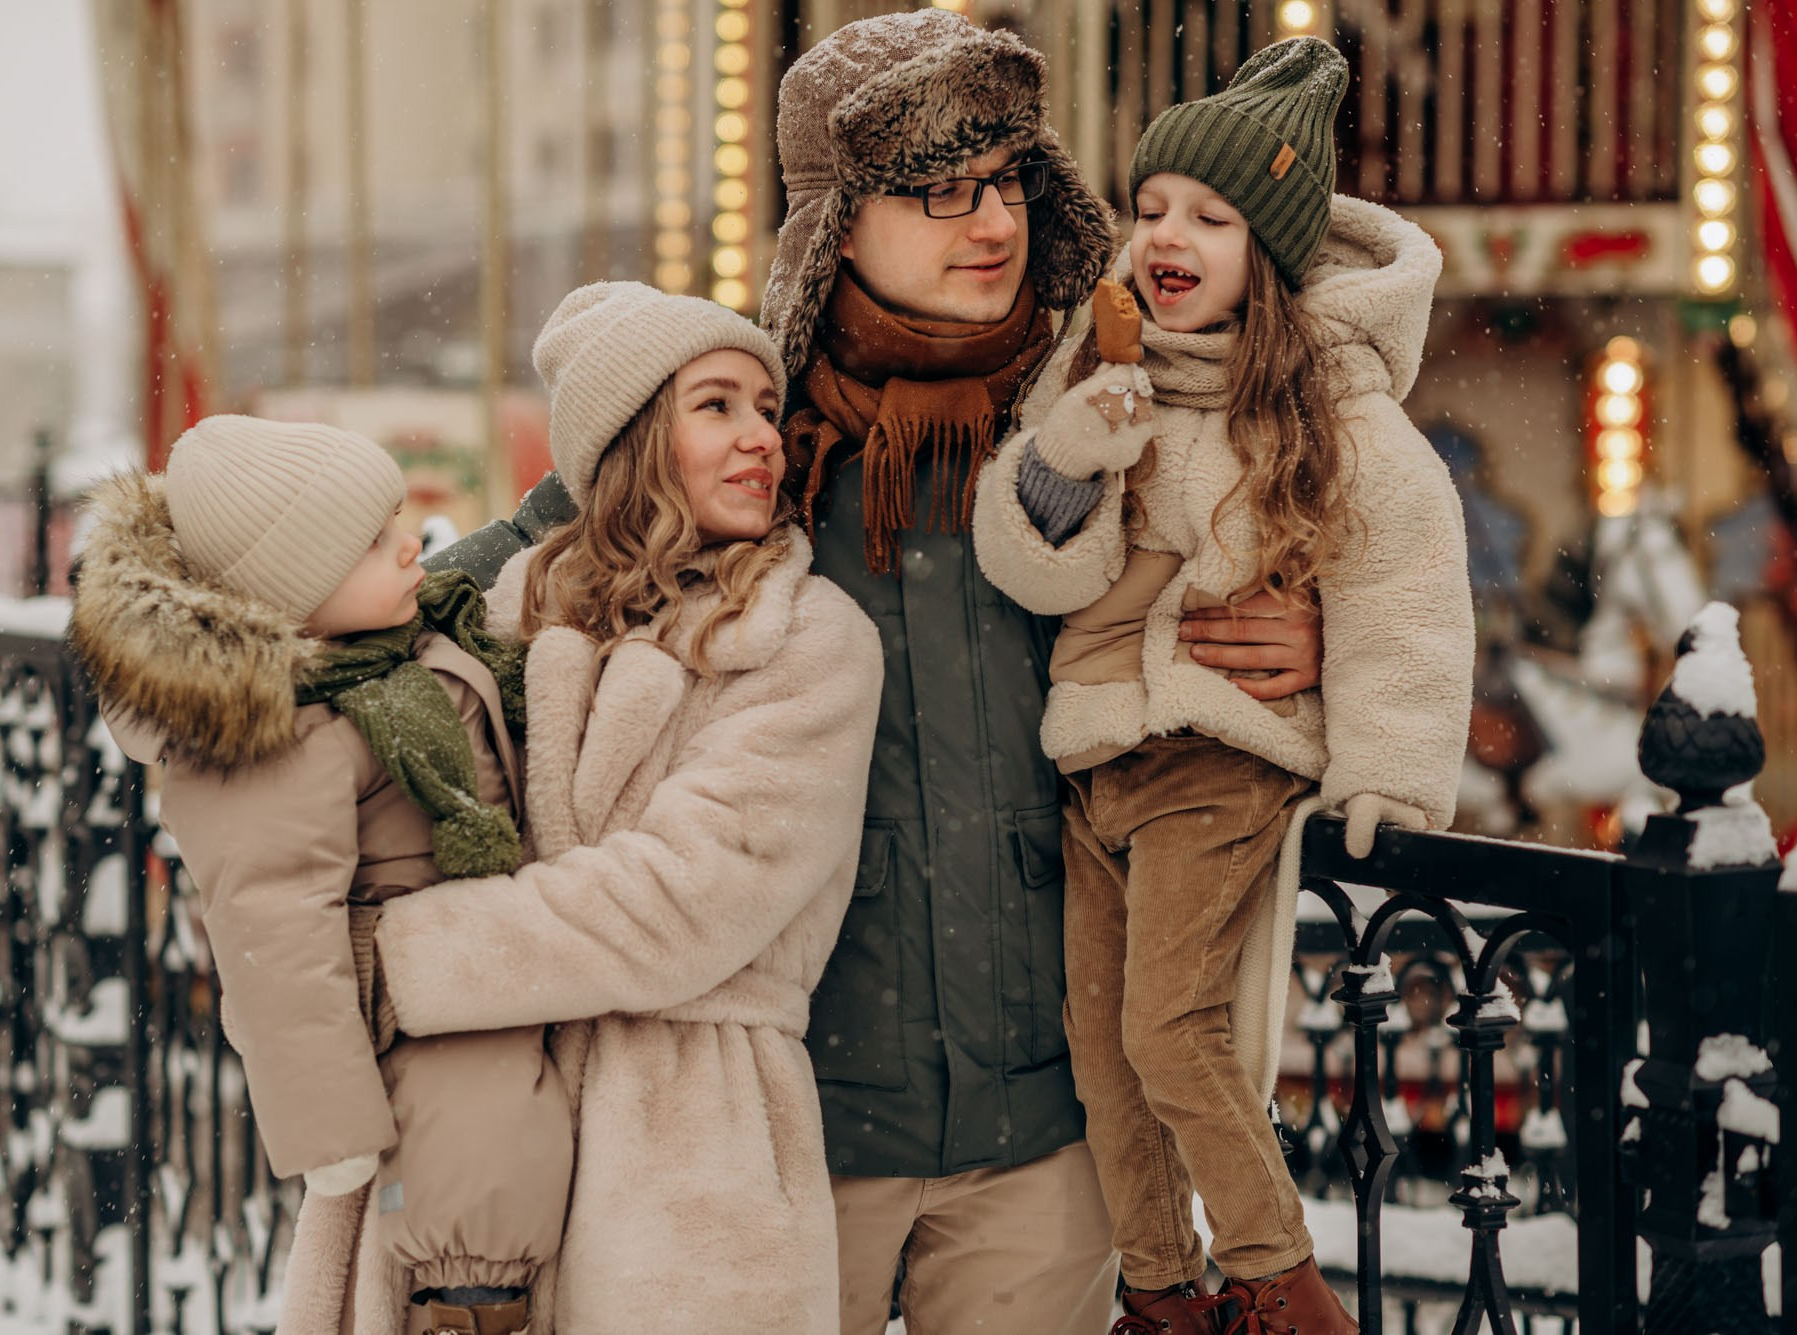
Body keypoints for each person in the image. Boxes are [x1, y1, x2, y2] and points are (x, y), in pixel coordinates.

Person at [427, 12, 1326, 1332]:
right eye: (939, 192)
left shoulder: (1115, 406)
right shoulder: (741, 422)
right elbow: (492, 580)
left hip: (1045, 1124)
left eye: (1011, 181)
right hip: (795, 1120)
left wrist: (1320, 648)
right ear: (842, 222)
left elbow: (1334, 539)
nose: (994, 224)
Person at [971, 38, 1474, 1335]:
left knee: (1169, 1028)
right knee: (1102, 1044)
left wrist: (1388, 768)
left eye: (1212, 215)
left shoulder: (1332, 413)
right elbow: (1037, 569)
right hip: (1091, 754)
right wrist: (1073, 452)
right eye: (1150, 211)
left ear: (1273, 252)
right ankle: (1158, 1289)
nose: (1167, 235)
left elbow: (1400, 589)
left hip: (1218, 755)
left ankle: (1274, 1276)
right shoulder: (1096, 374)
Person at [370, 282, 885, 1335]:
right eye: (715, 406)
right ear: (632, 441)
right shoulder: (504, 615)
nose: (762, 439)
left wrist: (393, 959)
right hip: (481, 1121)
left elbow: (679, 907)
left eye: (762, 406)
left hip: (691, 1144)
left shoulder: (810, 640)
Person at [68, 415, 572, 1335]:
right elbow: (273, 942)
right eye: (377, 543)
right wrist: (332, 1136)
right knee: (478, 1215)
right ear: (297, 599)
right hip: (428, 1041)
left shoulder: (393, 653)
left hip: (488, 1002)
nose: (413, 541)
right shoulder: (290, 735)